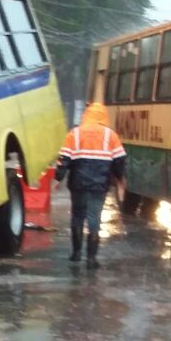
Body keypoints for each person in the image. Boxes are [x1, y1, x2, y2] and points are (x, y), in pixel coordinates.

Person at [55, 103, 126, 267]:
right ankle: (92, 259)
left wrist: (58, 178)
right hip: (99, 185)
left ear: (86, 115)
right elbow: (120, 161)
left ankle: (76, 253)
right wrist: (120, 178)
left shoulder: (75, 133)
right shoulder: (111, 135)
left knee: (77, 216)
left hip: (78, 184)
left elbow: (64, 159)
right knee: (94, 218)